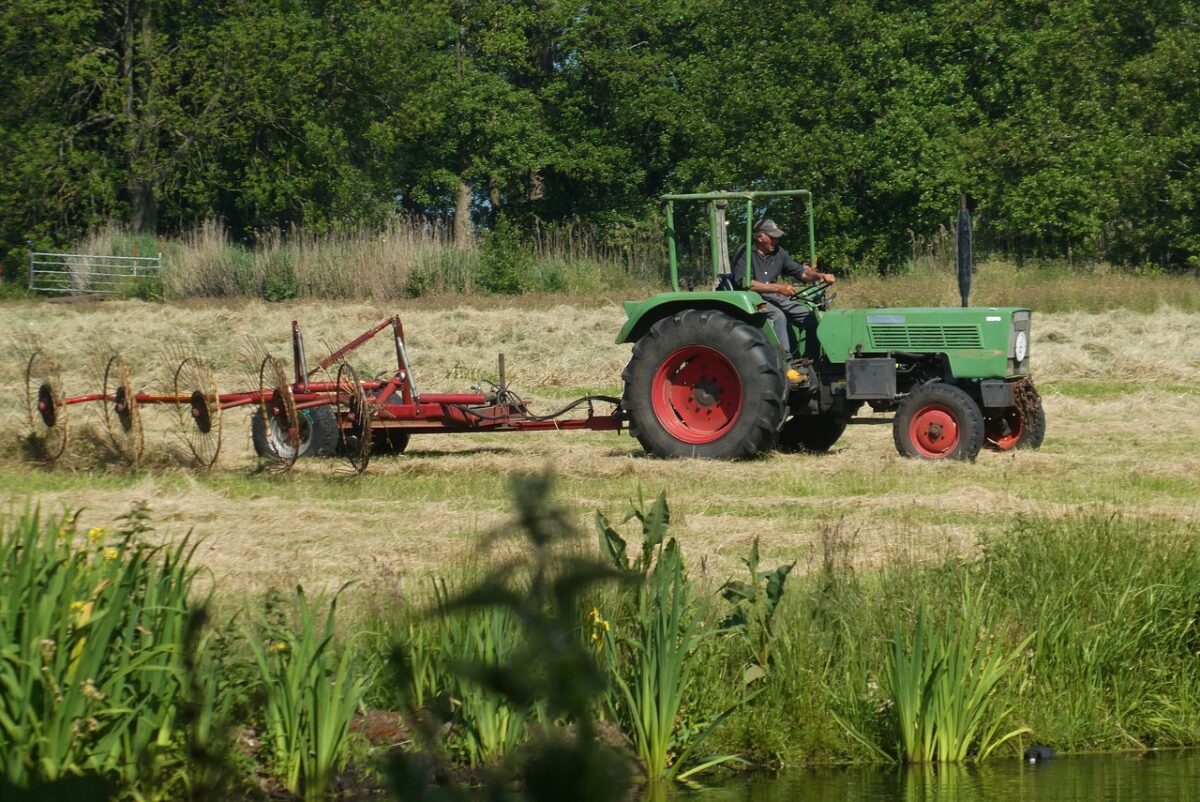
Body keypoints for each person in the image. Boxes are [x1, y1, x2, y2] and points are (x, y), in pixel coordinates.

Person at [729, 218, 836, 357]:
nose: (776, 241)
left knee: (810, 318)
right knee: (778, 316)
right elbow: (746, 283)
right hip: (752, 299)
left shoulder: (779, 252)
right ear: (760, 237)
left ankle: (812, 360)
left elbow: (800, 272)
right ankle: (785, 362)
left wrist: (820, 276)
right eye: (773, 237)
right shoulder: (745, 252)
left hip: (774, 296)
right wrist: (778, 288)